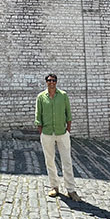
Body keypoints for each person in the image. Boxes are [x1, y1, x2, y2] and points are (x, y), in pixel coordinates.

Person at [35, 73, 81, 202]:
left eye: (54, 80)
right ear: (46, 82)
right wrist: (41, 130)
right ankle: (54, 187)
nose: (51, 82)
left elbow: (68, 113)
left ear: (56, 82)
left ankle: (71, 190)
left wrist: (68, 129)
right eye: (49, 80)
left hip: (62, 132)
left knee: (67, 161)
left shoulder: (63, 96)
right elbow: (38, 115)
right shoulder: (41, 97)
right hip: (47, 132)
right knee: (50, 161)